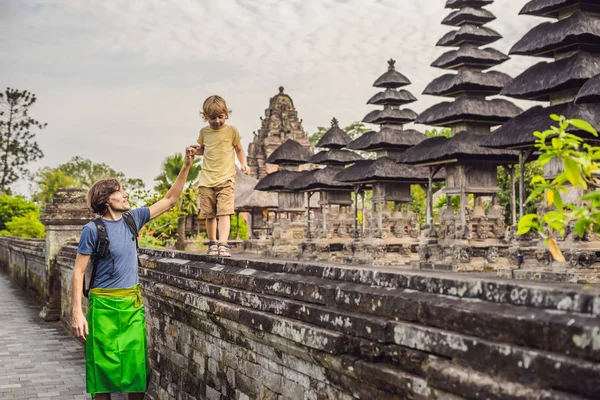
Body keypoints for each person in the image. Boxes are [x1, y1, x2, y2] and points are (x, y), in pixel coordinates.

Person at [71, 146, 196, 400]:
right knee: (102, 373)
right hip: (103, 306)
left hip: (131, 305)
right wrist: (77, 312)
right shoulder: (92, 230)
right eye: (119, 192)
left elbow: (170, 200)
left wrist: (186, 166)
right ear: (106, 200)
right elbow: (78, 271)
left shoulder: (133, 219)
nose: (125, 195)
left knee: (136, 371)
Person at [191, 95, 249, 257]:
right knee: (209, 214)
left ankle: (223, 244)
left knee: (224, 212)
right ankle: (213, 243)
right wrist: (193, 151)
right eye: (212, 118)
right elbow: (202, 150)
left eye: (220, 117)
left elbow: (239, 149)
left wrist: (244, 163)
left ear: (226, 114)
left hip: (226, 179)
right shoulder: (204, 132)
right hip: (206, 180)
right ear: (205, 117)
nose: (216, 121)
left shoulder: (232, 131)